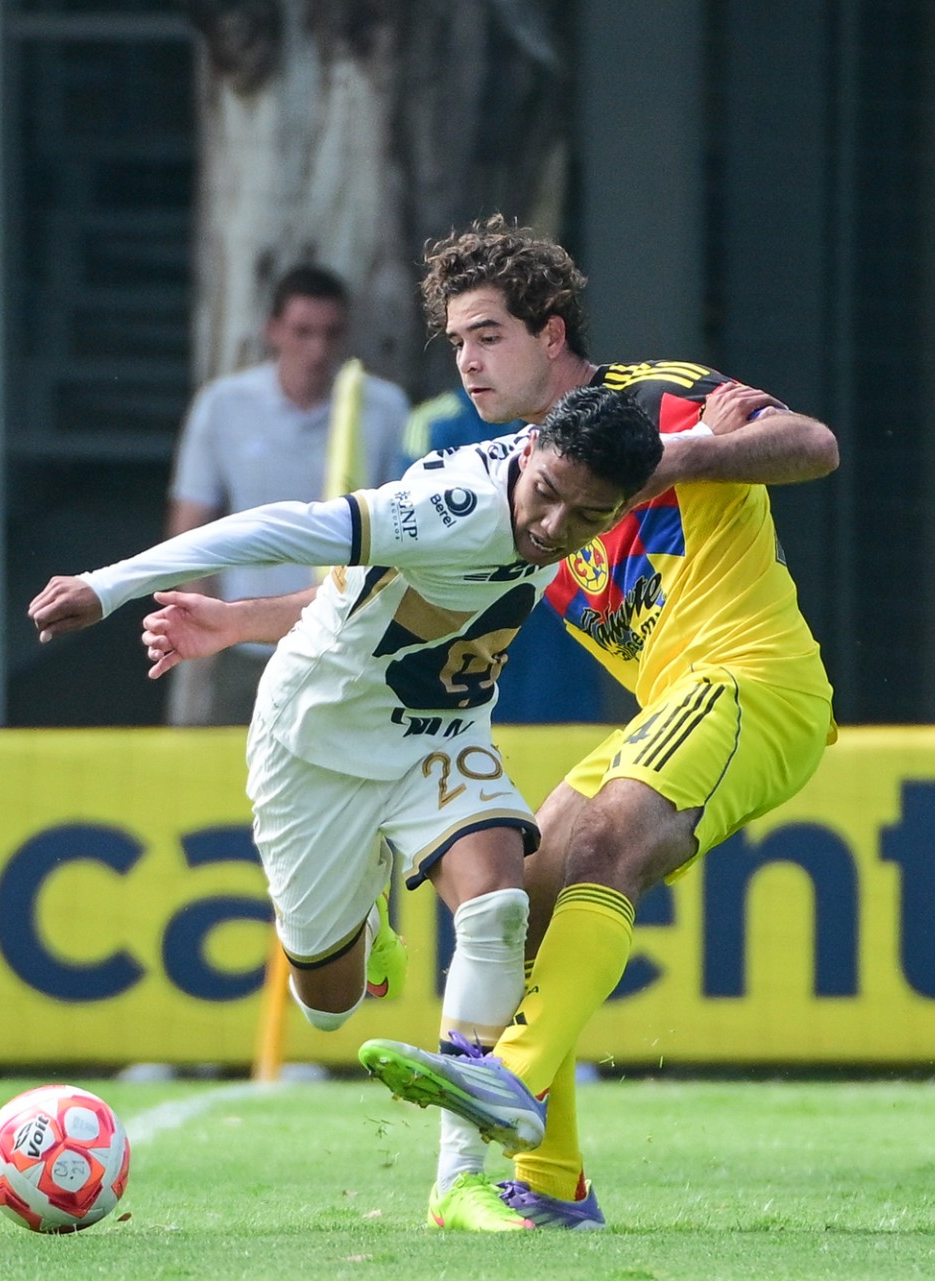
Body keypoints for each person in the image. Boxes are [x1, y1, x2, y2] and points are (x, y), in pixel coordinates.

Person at [140, 217, 839, 1231]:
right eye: (457, 342)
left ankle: (506, 1074)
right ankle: (552, 1185)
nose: (467, 362)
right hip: (675, 707)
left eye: (487, 336)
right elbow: (379, 595)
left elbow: (814, 445)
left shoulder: (650, 401)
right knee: (533, 888)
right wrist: (236, 621)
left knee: (602, 842)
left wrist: (682, 452)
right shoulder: (520, 481)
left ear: (551, 333)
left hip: (752, 683)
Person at [30, 386, 661, 1220]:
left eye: (586, 516)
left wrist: (237, 620)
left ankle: (457, 1180)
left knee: (500, 904)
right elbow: (278, 527)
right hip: (315, 744)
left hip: (439, 733)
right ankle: (369, 913)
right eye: (545, 494)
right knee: (328, 1005)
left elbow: (364, 592)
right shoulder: (449, 506)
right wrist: (108, 586)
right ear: (531, 446)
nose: (553, 526)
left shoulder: (577, 494)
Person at [163, 264, 410, 726]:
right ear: (273, 330)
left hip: (349, 644)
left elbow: (402, 530)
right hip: (246, 643)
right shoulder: (224, 404)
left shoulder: (384, 407)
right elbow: (189, 526)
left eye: (330, 334)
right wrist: (205, 624)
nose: (317, 349)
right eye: (303, 332)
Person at [399, 386, 606, 724]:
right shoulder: (435, 422)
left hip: (557, 620)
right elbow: (412, 529)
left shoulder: (580, 415)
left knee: (562, 727)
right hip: (471, 616)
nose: (473, 363)